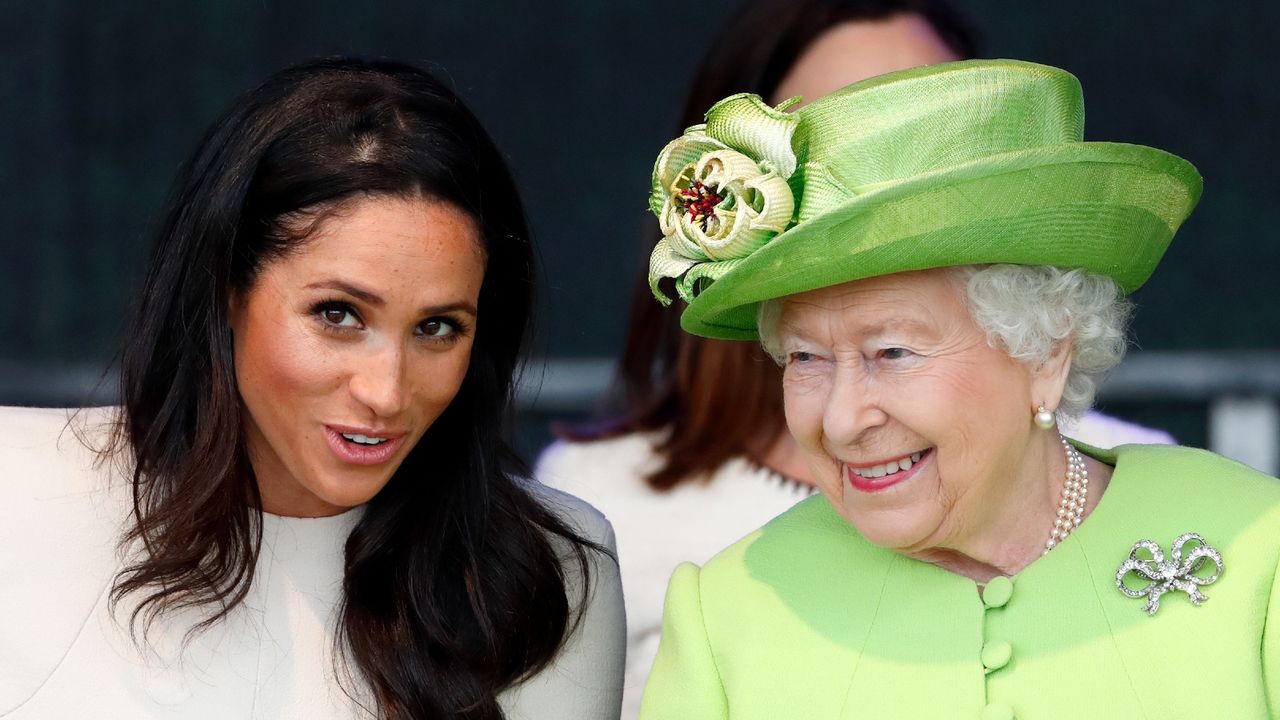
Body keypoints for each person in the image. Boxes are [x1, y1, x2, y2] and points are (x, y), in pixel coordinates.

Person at [535, 1, 1168, 714]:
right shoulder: (627, 520)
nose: (883, 174)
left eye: (925, 122)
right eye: (842, 128)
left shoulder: (1165, 499)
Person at [636, 58, 1279, 718]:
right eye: (806, 357)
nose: (842, 419)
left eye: (892, 351)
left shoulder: (1261, 551)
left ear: (1046, 353)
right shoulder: (729, 612)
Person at [0, 58, 624, 720]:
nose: (386, 392)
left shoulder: (544, 572)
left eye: (438, 327)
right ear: (227, 291)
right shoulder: (17, 487)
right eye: (338, 314)